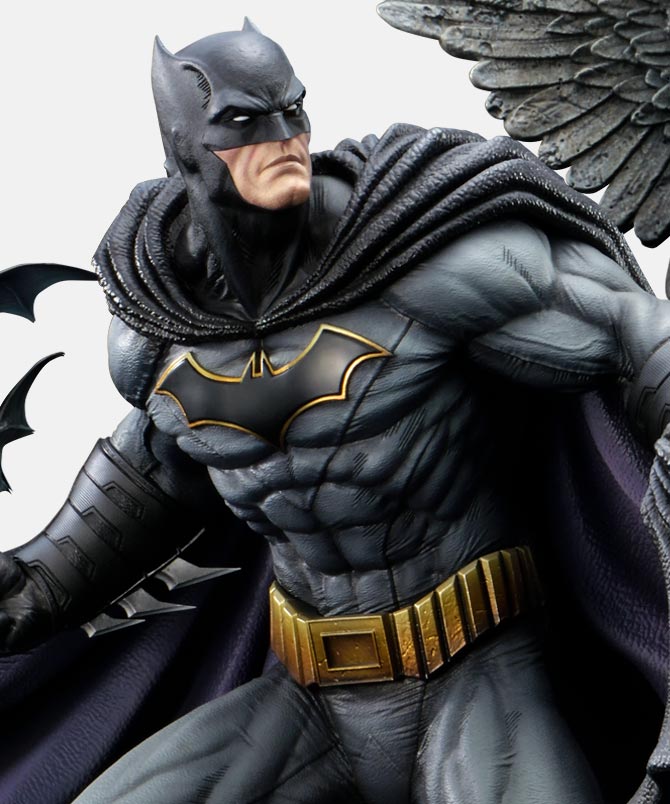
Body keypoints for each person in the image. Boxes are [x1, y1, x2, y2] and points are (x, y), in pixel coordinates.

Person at [2, 20, 670, 804]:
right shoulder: (158, 332)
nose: (284, 138)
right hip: (304, 700)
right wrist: (28, 587)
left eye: (293, 109)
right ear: (184, 146)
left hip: (480, 675)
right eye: (245, 122)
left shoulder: (423, 255)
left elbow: (637, 338)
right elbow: (143, 493)